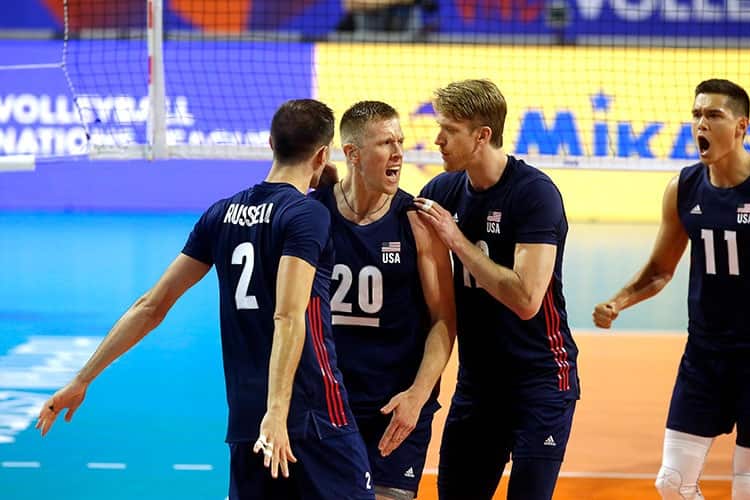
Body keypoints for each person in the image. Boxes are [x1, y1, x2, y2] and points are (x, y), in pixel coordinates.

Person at [34, 99, 375, 500]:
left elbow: (151, 305)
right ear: (322, 153)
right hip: (310, 415)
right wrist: (278, 412)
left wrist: (82, 379)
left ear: (270, 144)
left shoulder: (221, 213)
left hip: (248, 420)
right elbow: (287, 315)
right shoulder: (305, 215)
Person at [593, 79, 750, 500]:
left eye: (713, 115)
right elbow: (658, 271)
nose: (701, 124)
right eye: (696, 115)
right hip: (705, 355)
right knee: (672, 483)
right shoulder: (683, 188)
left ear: (741, 126)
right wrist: (618, 301)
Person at [415, 79, 580, 500]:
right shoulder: (442, 191)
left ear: (482, 135)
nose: (437, 140)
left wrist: (457, 240)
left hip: (540, 381)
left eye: (448, 130)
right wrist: (331, 190)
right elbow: (382, 218)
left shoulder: (534, 194)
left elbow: (527, 299)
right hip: (477, 385)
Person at [311, 100, 456, 500]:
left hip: (396, 407)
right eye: (385, 143)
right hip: (329, 404)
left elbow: (445, 320)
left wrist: (418, 396)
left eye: (400, 141)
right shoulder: (315, 215)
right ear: (352, 154)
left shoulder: (416, 221)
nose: (398, 153)